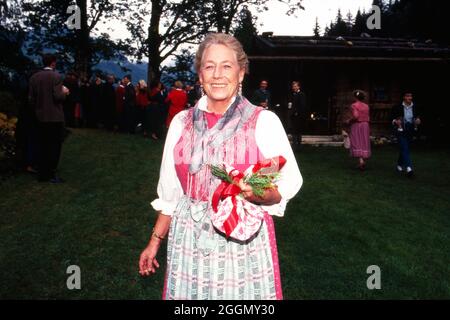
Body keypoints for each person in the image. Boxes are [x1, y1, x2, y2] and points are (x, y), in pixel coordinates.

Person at [139, 33, 303, 300]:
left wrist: (260, 193)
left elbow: (284, 185)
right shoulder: (181, 123)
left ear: (240, 73)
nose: (217, 74)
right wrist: (154, 242)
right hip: (188, 242)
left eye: (226, 66)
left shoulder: (263, 121)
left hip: (241, 241)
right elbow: (171, 195)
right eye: (209, 66)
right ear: (200, 75)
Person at [28, 53, 69, 183]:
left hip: (39, 116)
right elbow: (58, 97)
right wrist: (65, 93)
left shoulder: (34, 77)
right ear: (53, 63)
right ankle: (50, 174)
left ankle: (41, 172)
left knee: (42, 144)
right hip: (54, 117)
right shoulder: (56, 76)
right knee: (54, 146)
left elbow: (31, 99)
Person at [391, 91, 421, 178]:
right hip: (400, 129)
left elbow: (418, 116)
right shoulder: (397, 107)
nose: (410, 98)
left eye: (411, 96)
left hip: (411, 129)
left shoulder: (415, 107)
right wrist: (395, 121)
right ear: (404, 97)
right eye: (408, 96)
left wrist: (418, 120)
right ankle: (409, 168)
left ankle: (399, 165)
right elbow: (391, 118)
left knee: (405, 147)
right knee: (405, 147)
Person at [347, 90, 371, 170]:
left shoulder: (354, 105)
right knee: (363, 141)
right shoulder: (366, 106)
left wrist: (349, 120)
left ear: (355, 97)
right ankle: (362, 160)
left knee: (356, 141)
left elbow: (356, 116)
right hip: (365, 125)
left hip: (357, 125)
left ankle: (361, 161)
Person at [287, 81, 307, 150]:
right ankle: (295, 146)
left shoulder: (301, 94)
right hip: (293, 116)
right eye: (293, 86)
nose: (294, 87)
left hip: (298, 116)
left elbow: (302, 105)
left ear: (298, 87)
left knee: (298, 131)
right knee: (294, 131)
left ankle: (298, 146)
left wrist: (297, 113)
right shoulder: (293, 94)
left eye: (295, 86)